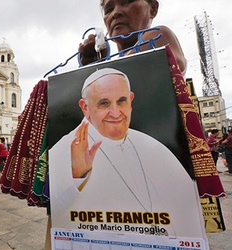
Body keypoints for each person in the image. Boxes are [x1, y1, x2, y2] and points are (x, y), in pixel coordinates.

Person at [49, 68, 205, 239]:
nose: (115, 113)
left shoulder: (152, 146)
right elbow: (57, 214)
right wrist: (77, 176)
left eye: (121, 101)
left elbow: (187, 203)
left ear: (130, 101)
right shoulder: (63, 149)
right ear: (85, 107)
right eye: (104, 103)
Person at [78, 0, 186, 74]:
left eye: (128, 1)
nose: (115, 13)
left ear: (153, 9)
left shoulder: (159, 35)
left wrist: (97, 71)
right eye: (109, 9)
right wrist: (95, 66)